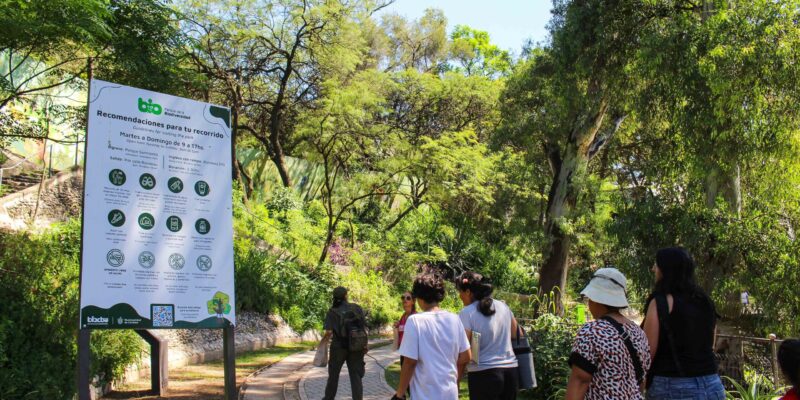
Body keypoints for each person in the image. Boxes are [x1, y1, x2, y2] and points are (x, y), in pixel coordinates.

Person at [642, 248, 725, 400]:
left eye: (657, 264)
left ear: (666, 269)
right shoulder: (705, 301)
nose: (653, 269)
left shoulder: (661, 302)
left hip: (672, 386)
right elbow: (710, 345)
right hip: (712, 384)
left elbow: (646, 353)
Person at [566, 267, 651, 400]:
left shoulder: (592, 331)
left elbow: (580, 381)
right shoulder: (638, 332)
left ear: (595, 299)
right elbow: (640, 382)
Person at [393, 272, 471, 400]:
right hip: (450, 393)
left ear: (419, 297)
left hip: (425, 395)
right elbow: (466, 356)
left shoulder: (415, 321)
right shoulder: (454, 319)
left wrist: (399, 394)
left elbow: (409, 362)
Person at [455, 271, 520, 400]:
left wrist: (456, 380)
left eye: (460, 291)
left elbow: (464, 352)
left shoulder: (467, 313)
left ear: (468, 292)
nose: (459, 296)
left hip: (483, 375)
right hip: (510, 372)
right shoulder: (503, 306)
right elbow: (516, 334)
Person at [321, 286, 367, 400]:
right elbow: (363, 328)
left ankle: (328, 398)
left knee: (333, 376)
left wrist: (322, 343)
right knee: (356, 377)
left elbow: (329, 332)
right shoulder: (357, 308)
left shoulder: (332, 311)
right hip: (356, 346)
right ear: (346, 296)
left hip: (338, 348)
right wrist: (364, 345)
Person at [395, 290, 416, 365]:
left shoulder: (416, 317)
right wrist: (397, 326)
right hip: (403, 352)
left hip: (412, 354)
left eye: (408, 298)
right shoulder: (403, 316)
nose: (405, 300)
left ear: (413, 301)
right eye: (403, 297)